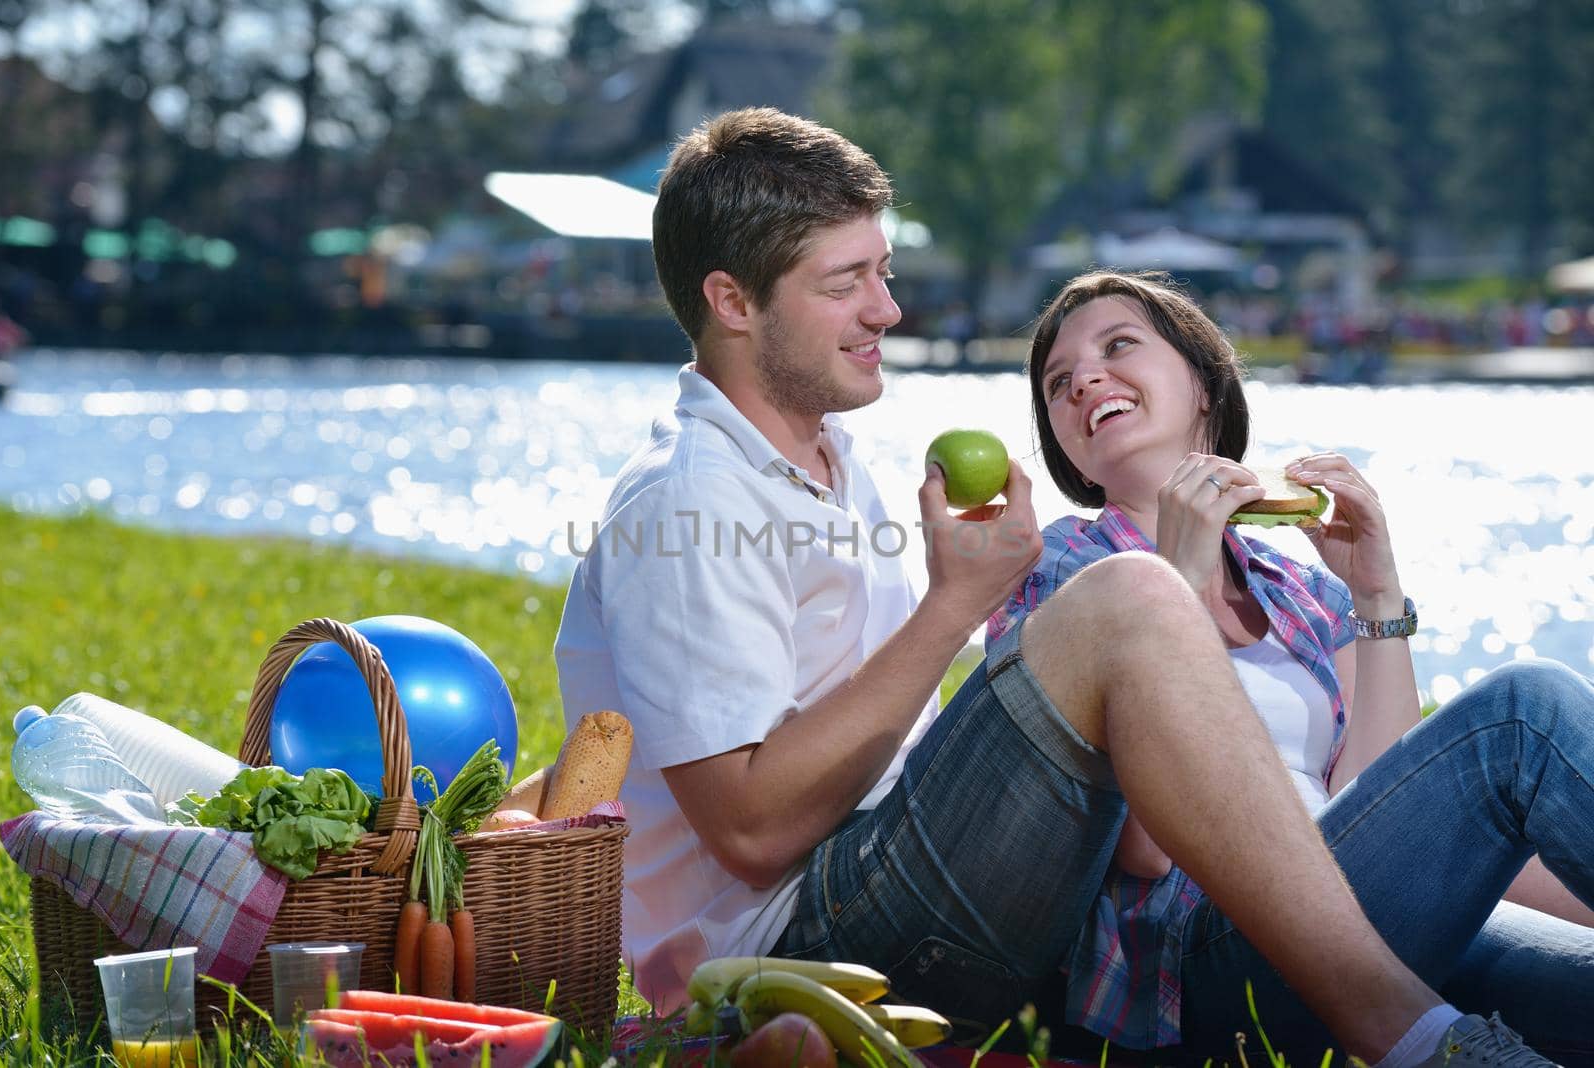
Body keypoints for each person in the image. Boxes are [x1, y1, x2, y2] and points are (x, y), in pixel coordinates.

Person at [552, 107, 1570, 1068]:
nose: (889, 310)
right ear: (732, 302)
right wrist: (959, 603)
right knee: (1490, 705)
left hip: (910, 883)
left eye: (883, 271)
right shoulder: (686, 500)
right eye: (844, 283)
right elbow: (749, 828)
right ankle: (1406, 1037)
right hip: (802, 936)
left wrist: (1375, 600)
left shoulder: (828, 462)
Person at [995, 267, 1594, 1060]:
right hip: (1213, 948)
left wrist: (1377, 595)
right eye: (1058, 382)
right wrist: (1173, 584)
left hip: (1373, 918)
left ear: (1204, 384)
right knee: (1526, 711)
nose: (1086, 380)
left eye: (1118, 346)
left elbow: (1369, 798)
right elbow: (1143, 850)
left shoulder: (1299, 587)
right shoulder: (1058, 575)